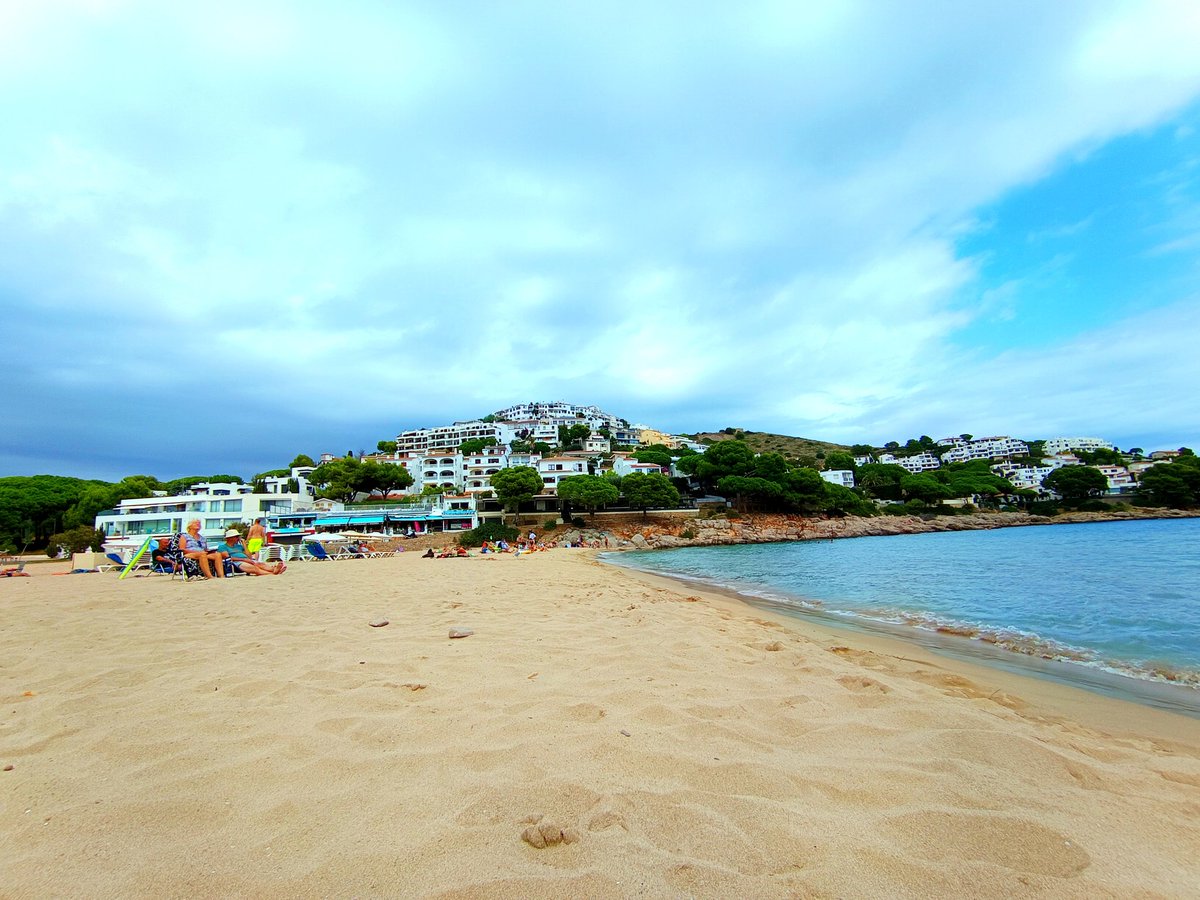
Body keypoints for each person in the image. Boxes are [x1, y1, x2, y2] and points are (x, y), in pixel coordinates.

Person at [216, 529, 284, 575]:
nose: (239, 538)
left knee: (260, 564)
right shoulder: (222, 547)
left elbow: (249, 556)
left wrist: (244, 544)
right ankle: (272, 573)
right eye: (237, 537)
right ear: (230, 538)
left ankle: (274, 569)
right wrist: (244, 560)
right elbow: (228, 558)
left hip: (247, 560)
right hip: (236, 562)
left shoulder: (239, 546)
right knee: (254, 568)